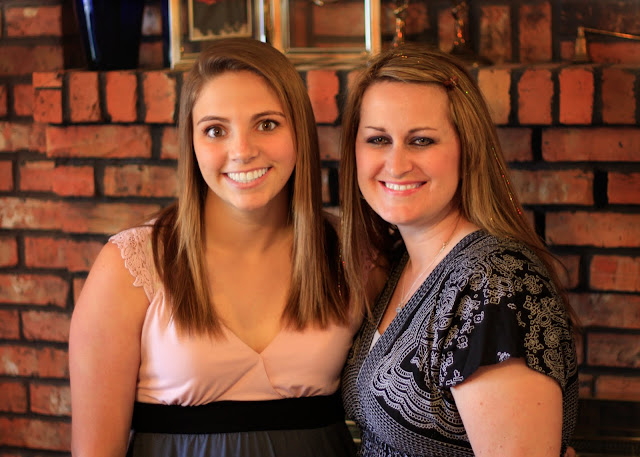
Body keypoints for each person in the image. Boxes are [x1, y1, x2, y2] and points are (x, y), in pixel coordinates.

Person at [69, 38, 369, 457]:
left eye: (267, 124)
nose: (242, 151)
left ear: (299, 131)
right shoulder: (131, 265)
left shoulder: (350, 253)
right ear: (191, 142)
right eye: (215, 130)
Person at [339, 44, 579, 457]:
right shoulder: (403, 262)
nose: (396, 164)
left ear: (467, 149)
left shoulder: (494, 285)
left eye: (422, 140)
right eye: (378, 139)